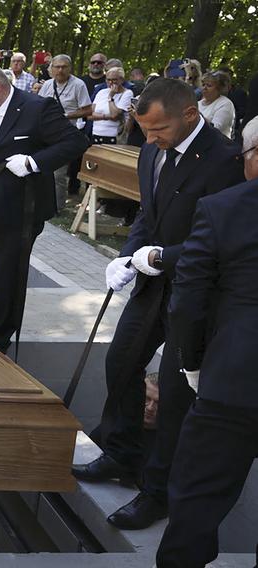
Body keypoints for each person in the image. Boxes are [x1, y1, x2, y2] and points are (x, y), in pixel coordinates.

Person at [71, 79, 244, 531]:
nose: (150, 139)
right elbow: (149, 213)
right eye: (144, 131)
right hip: (152, 282)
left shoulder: (226, 161)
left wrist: (161, 256)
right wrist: (130, 254)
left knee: (174, 395)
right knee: (121, 363)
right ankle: (122, 453)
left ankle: (157, 491)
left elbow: (225, 239)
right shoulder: (151, 148)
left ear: (190, 115)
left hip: (198, 293)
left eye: (159, 129)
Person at [155, 116, 258, 568]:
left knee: (196, 501)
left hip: (232, 379)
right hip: (233, 376)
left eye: (246, 156)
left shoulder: (223, 208)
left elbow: (187, 303)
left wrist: (193, 365)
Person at [0, 62, 88, 352]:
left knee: (8, 278)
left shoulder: (36, 108)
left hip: (17, 212)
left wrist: (33, 162)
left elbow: (74, 142)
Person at [38, 54, 91, 195]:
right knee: (42, 169)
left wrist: (65, 116)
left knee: (58, 173)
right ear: (52, 68)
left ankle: (57, 207)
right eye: (57, 67)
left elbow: (87, 110)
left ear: (70, 68)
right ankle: (43, 202)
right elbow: (39, 105)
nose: (60, 70)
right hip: (44, 133)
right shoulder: (48, 84)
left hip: (64, 134)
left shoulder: (78, 85)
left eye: (64, 67)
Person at [89, 67, 133, 144]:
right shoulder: (101, 92)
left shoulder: (127, 93)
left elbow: (114, 115)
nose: (110, 82)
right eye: (108, 80)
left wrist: (110, 98)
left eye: (114, 80)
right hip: (96, 134)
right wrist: (106, 116)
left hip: (114, 137)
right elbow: (89, 115)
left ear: (121, 80)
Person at [198, 70, 235, 139]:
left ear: (219, 89)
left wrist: (197, 118)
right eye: (203, 85)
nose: (204, 88)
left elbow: (216, 129)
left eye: (209, 85)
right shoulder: (198, 103)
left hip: (218, 146)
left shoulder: (225, 104)